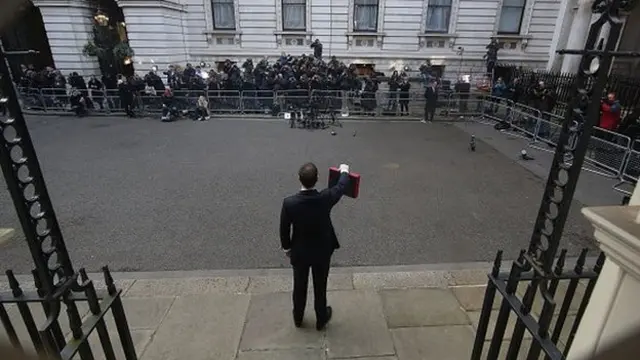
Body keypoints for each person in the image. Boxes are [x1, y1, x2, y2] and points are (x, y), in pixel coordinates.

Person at [279, 162, 351, 331]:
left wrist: (287, 248)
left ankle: (298, 316)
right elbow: (341, 187)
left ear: (299, 179)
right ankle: (321, 317)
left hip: (300, 251)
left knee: (299, 285)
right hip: (321, 251)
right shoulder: (325, 198)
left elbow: (284, 229)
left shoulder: (289, 203)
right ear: (317, 179)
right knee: (320, 285)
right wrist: (344, 171)